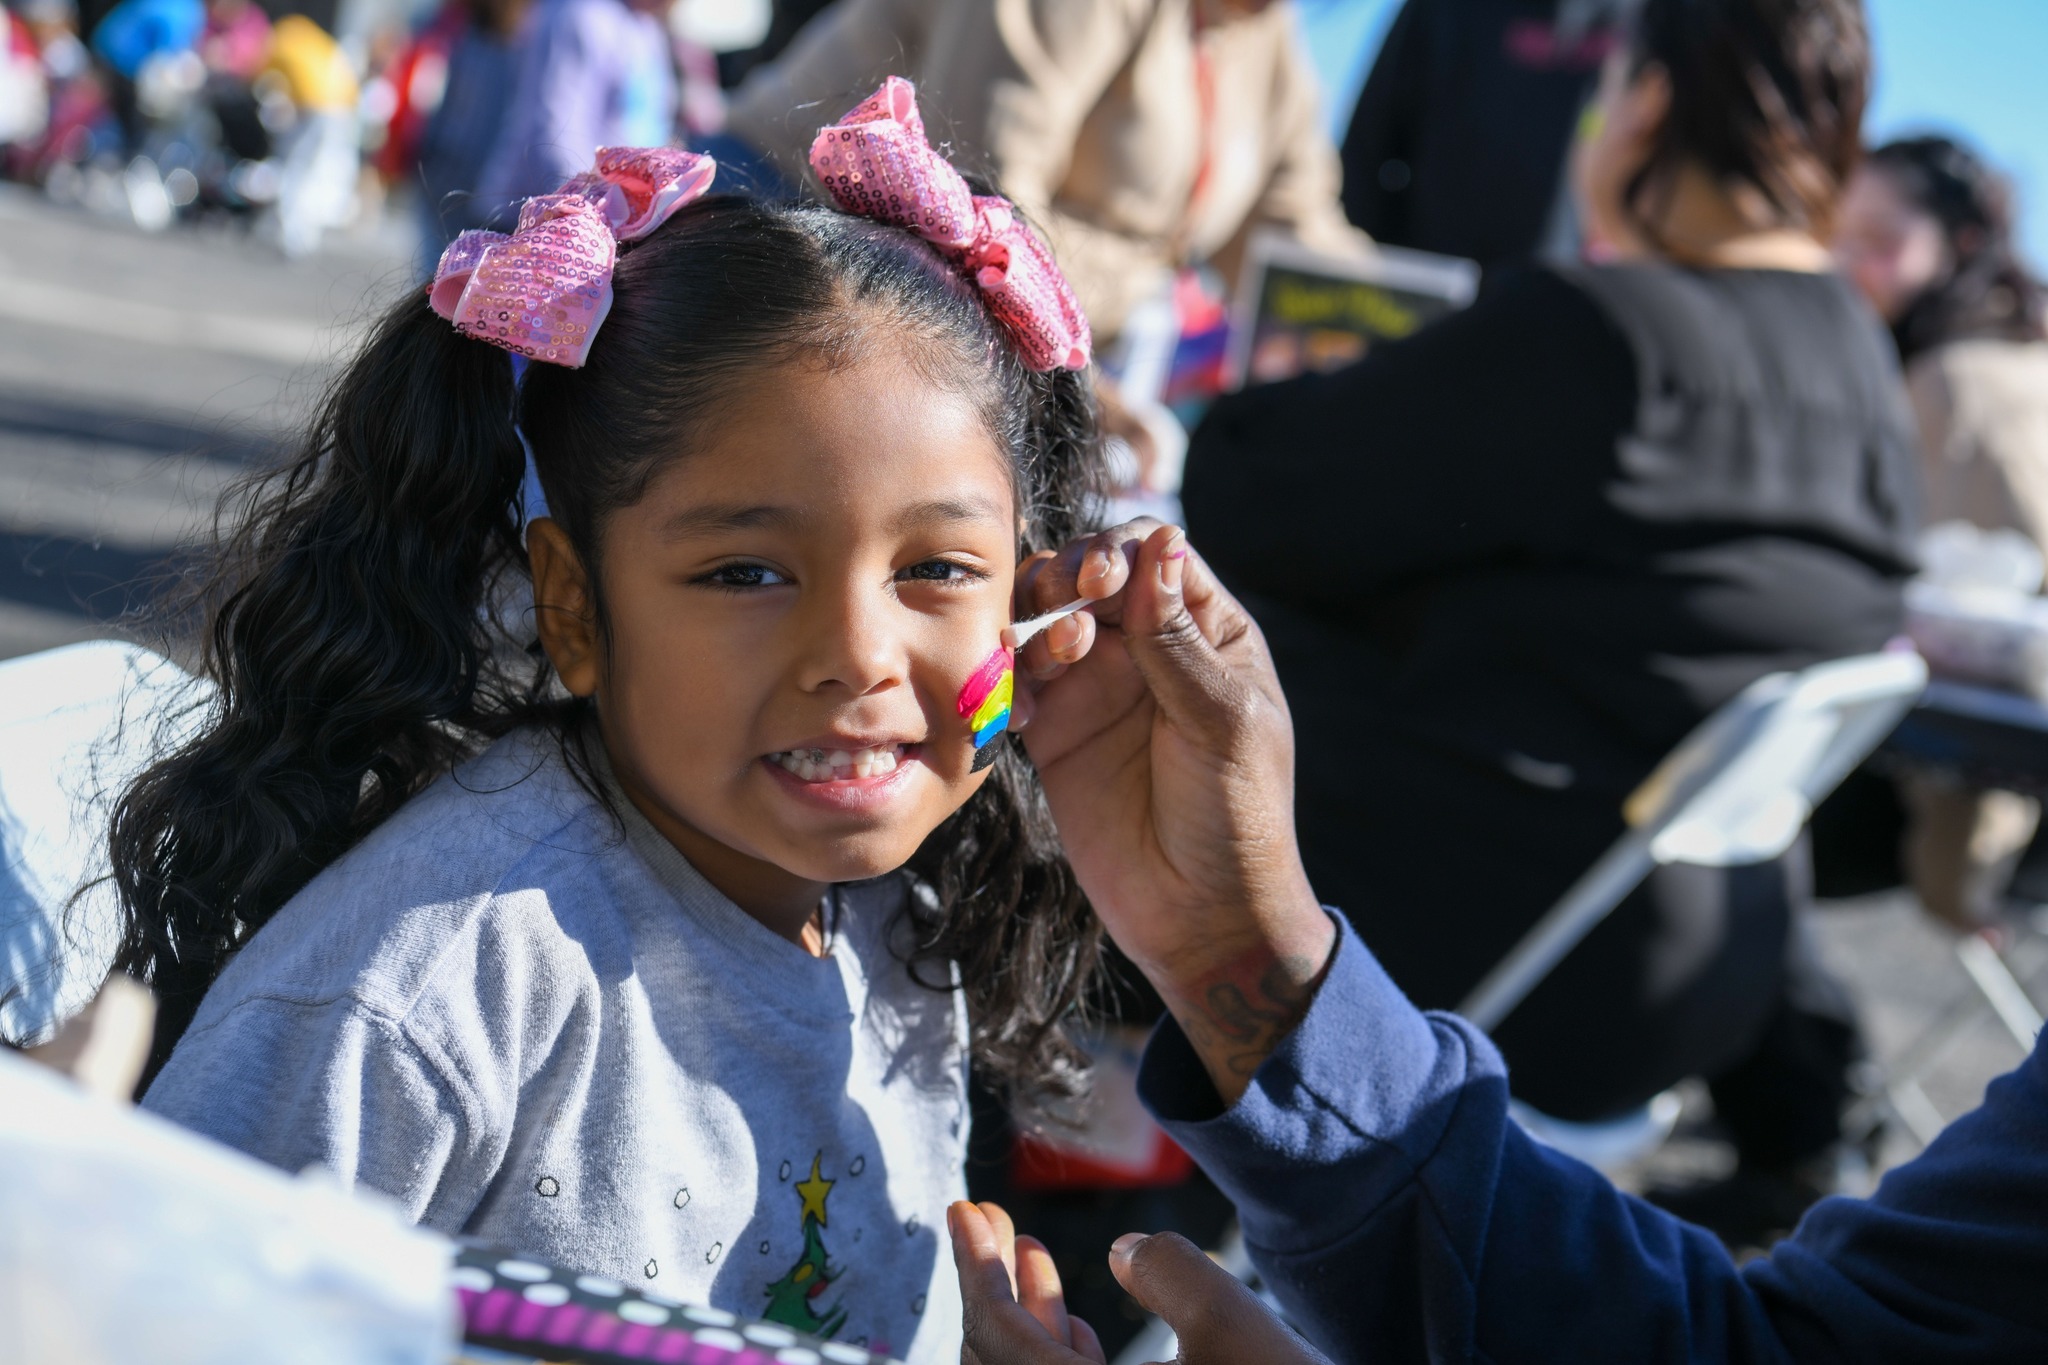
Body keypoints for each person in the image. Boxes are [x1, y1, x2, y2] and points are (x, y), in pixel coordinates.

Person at [120, 85, 1102, 1362]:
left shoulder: (886, 918)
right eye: (747, 573)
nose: (860, 656)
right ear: (575, 607)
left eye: (940, 572)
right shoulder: (423, 995)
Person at [1179, 0, 1918, 1246]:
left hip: (1476, 948)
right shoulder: (1859, 368)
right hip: (1692, 970)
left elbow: (1246, 495)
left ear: (1637, 110)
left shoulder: (1598, 335)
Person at [721, 0, 1366, 347]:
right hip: (775, 228)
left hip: (949, 301)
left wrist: (1414, 332)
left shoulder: (1268, 37)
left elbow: (1293, 244)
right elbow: (971, 193)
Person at [1836, 136, 2048, 930]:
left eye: (1881, 241)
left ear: (1959, 245)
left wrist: (1958, 887)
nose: (1850, 262)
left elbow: (1996, 660)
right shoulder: (2009, 351)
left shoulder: (1959, 387)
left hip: (1987, 804)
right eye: (1841, 235)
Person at [1340, 0, 1632, 273]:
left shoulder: (1648, 19)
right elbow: (1366, 149)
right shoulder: (1447, 9)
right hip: (1440, 287)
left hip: (1577, 294)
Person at [471, 0, 674, 223]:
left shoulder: (647, 29)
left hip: (609, 215)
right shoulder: (580, 15)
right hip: (536, 217)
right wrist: (586, 209)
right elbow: (554, 128)